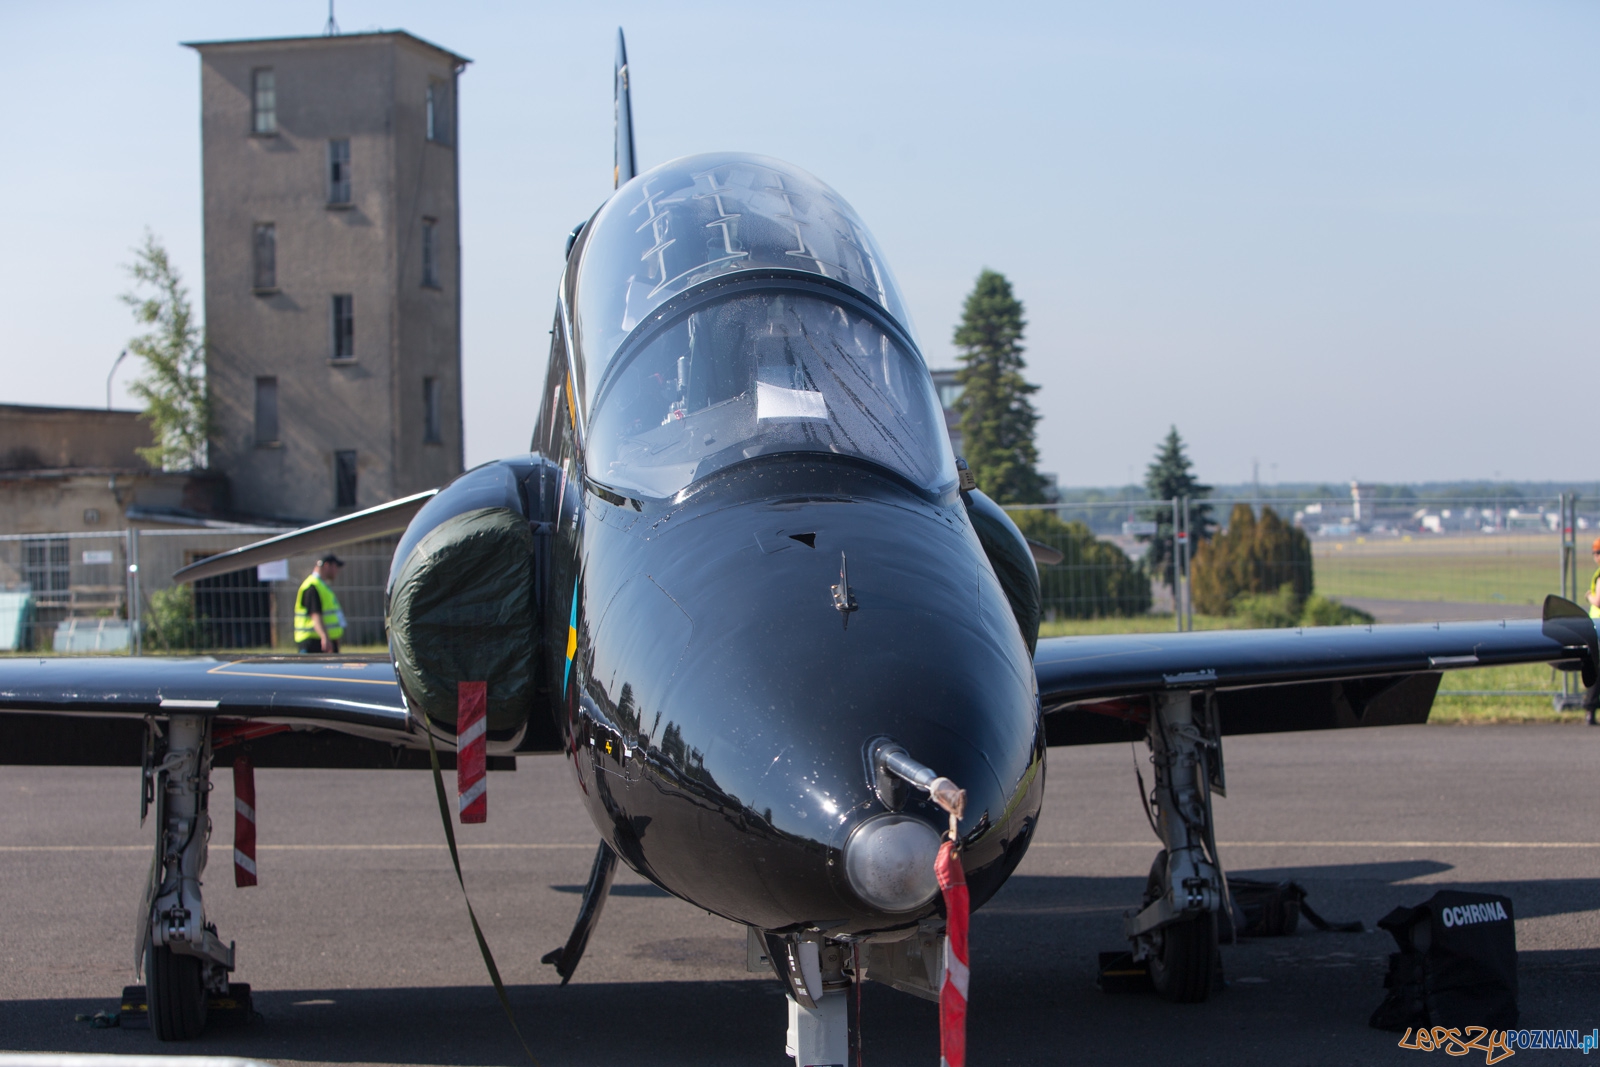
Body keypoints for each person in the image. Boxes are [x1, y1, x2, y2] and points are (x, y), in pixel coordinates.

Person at [294, 555, 346, 653]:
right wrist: (324, 637)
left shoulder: (322, 585)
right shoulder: (312, 586)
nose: (337, 571)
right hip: (314, 642)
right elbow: (315, 615)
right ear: (326, 565)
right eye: (335, 567)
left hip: (323, 640)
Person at [1585, 538, 1600, 725]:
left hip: (1597, 627)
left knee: (1596, 669)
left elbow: (1598, 602)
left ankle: (1590, 708)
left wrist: (1589, 596)